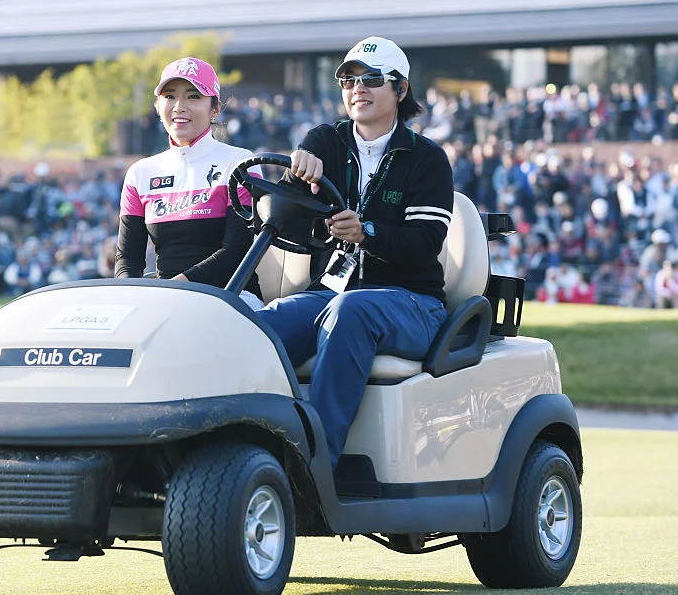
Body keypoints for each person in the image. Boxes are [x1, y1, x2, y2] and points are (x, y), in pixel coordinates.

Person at [256, 37, 454, 469]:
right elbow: (286, 215)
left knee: (351, 311)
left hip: (412, 301)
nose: (357, 88)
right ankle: (238, 448)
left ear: (400, 91)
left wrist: (367, 232)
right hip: (332, 293)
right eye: (348, 79)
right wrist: (296, 176)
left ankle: (314, 464)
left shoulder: (427, 159)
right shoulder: (325, 141)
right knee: (259, 325)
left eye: (371, 80)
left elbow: (425, 245)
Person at [115, 57, 263, 309]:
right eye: (170, 96)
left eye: (193, 96)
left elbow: (239, 250)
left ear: (215, 109)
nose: (179, 106)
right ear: (157, 105)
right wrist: (132, 298)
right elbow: (128, 258)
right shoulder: (140, 174)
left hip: (233, 298)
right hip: (167, 303)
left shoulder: (240, 162)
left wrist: (178, 288)